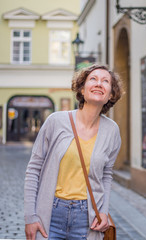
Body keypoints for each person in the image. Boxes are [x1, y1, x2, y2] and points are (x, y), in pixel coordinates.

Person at [24, 64, 123, 240]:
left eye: (105, 81)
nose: (99, 83)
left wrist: (104, 212)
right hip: (50, 214)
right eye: (93, 79)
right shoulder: (56, 121)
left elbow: (106, 174)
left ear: (110, 94)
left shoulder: (112, 130)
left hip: (87, 219)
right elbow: (34, 169)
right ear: (82, 90)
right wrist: (30, 217)